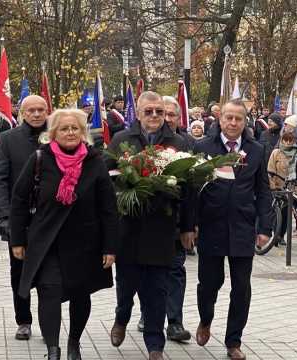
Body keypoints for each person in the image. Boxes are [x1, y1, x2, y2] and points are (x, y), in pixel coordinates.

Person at [10, 109, 118, 360]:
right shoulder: (40, 158)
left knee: (80, 294)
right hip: (47, 242)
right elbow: (19, 199)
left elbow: (108, 208)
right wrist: (17, 239)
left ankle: (73, 343)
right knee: (49, 291)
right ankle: (53, 350)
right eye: (64, 128)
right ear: (53, 133)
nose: (70, 133)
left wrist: (110, 247)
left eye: (75, 128)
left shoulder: (95, 161)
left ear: (83, 133)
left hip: (85, 243)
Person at [107, 91, 195, 360]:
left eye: (159, 111)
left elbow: (190, 187)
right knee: (126, 285)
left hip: (162, 227)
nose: (155, 116)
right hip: (129, 227)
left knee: (157, 290)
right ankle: (121, 318)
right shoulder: (123, 140)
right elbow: (107, 181)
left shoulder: (178, 142)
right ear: (139, 112)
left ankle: (155, 346)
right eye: (149, 111)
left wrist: (188, 226)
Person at [194, 99, 272, 360]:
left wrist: (265, 227)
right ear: (220, 118)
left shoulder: (257, 150)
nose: (233, 123)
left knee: (241, 287)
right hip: (211, 227)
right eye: (228, 117)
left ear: (245, 121)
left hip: (242, 227)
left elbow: (263, 191)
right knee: (209, 284)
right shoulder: (203, 146)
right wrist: (189, 225)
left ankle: (233, 341)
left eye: (238, 118)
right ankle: (206, 319)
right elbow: (193, 190)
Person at [0, 95, 48, 341]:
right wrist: (4, 217)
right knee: (20, 272)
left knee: (50, 275)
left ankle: (50, 322)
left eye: (41, 110)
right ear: (22, 113)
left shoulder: (57, 136)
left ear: (47, 111)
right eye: (31, 110)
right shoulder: (9, 139)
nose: (36, 114)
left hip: (50, 219)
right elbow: (0, 179)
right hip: (20, 220)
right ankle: (23, 320)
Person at [267, 132, 297, 245]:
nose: (288, 142)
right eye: (286, 140)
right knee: (275, 213)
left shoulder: (296, 153)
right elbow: (270, 170)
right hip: (277, 187)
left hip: (290, 188)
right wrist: (273, 186)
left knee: (286, 214)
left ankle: (281, 236)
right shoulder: (276, 152)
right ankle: (274, 235)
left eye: (290, 140)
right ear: (282, 140)